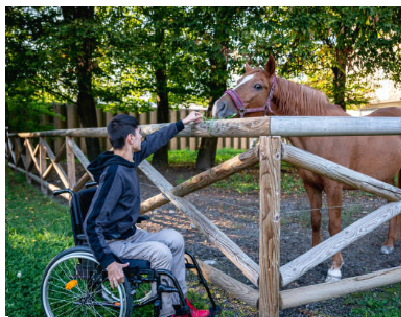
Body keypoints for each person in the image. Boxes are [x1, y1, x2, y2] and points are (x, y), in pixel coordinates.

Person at [84, 111, 209, 317]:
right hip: (113, 242)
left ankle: (180, 307)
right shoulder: (114, 173)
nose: (142, 137)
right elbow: (92, 223)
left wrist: (182, 123)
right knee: (161, 252)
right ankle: (166, 313)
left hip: (130, 234)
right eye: (139, 133)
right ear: (130, 138)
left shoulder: (130, 159)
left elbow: (155, 139)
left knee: (175, 239)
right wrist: (108, 261)